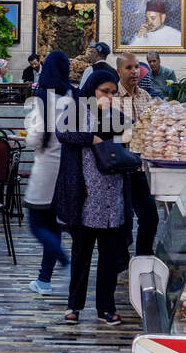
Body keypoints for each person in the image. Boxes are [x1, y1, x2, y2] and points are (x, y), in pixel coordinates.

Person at [53, 68, 131, 325]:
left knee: (108, 257)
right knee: (81, 254)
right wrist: (92, 138)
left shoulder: (115, 116)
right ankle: (74, 305)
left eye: (112, 92)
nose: (108, 96)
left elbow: (130, 133)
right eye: (103, 91)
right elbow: (62, 133)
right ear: (91, 90)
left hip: (112, 198)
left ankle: (105, 307)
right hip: (85, 197)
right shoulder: (77, 111)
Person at [22, 51, 73, 295]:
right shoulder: (73, 96)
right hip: (66, 170)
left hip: (45, 170)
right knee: (53, 226)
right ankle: (44, 280)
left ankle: (63, 259)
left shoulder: (42, 97)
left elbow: (34, 137)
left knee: (35, 223)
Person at [115, 53, 159, 256]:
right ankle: (120, 262)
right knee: (121, 221)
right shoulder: (111, 98)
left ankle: (143, 257)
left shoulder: (146, 97)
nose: (134, 71)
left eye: (136, 67)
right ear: (119, 71)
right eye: (128, 68)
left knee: (150, 216)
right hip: (118, 170)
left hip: (140, 168)